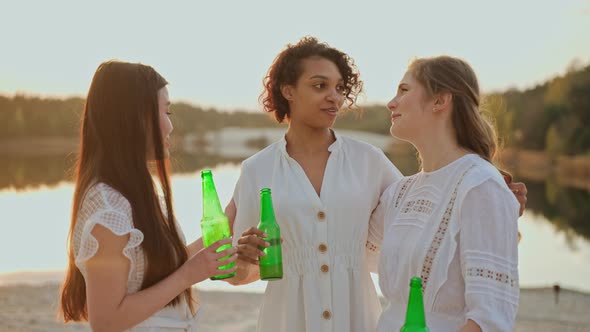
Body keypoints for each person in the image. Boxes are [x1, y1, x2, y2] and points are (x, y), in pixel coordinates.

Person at [226, 37, 527, 332]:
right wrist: (239, 256)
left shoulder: (370, 161)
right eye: (320, 86)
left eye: (340, 88)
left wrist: (496, 207)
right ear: (287, 90)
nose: (334, 96)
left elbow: (431, 226)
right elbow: (238, 271)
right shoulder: (257, 169)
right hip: (287, 320)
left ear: (440, 101)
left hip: (358, 319)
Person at [59, 60, 237, 331]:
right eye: (166, 112)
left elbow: (155, 272)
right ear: (134, 118)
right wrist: (190, 274)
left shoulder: (132, 194)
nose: (170, 127)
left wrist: (218, 234)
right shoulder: (109, 212)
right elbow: (106, 321)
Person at [376, 56, 520, 331]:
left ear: (440, 101)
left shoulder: (480, 185)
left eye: (404, 90)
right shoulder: (400, 192)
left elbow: (489, 320)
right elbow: (345, 250)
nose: (391, 102)